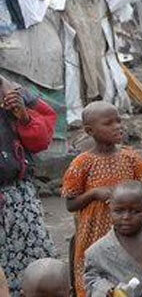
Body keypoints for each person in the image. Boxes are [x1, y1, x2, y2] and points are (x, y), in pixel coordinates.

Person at [61, 101, 142, 297]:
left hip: (129, 231)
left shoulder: (133, 159)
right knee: (94, 278)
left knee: (129, 277)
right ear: (89, 130)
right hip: (93, 234)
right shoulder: (82, 163)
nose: (117, 126)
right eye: (108, 123)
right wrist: (94, 193)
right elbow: (70, 203)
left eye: (118, 121)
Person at [0, 75, 57, 295]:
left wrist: (23, 117)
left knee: (38, 271)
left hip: (17, 200)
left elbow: (41, 140)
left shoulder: (15, 94)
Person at [84, 181, 142, 297]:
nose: (126, 217)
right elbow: (91, 281)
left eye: (135, 211)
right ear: (110, 210)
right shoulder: (97, 252)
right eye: (119, 211)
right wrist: (107, 290)